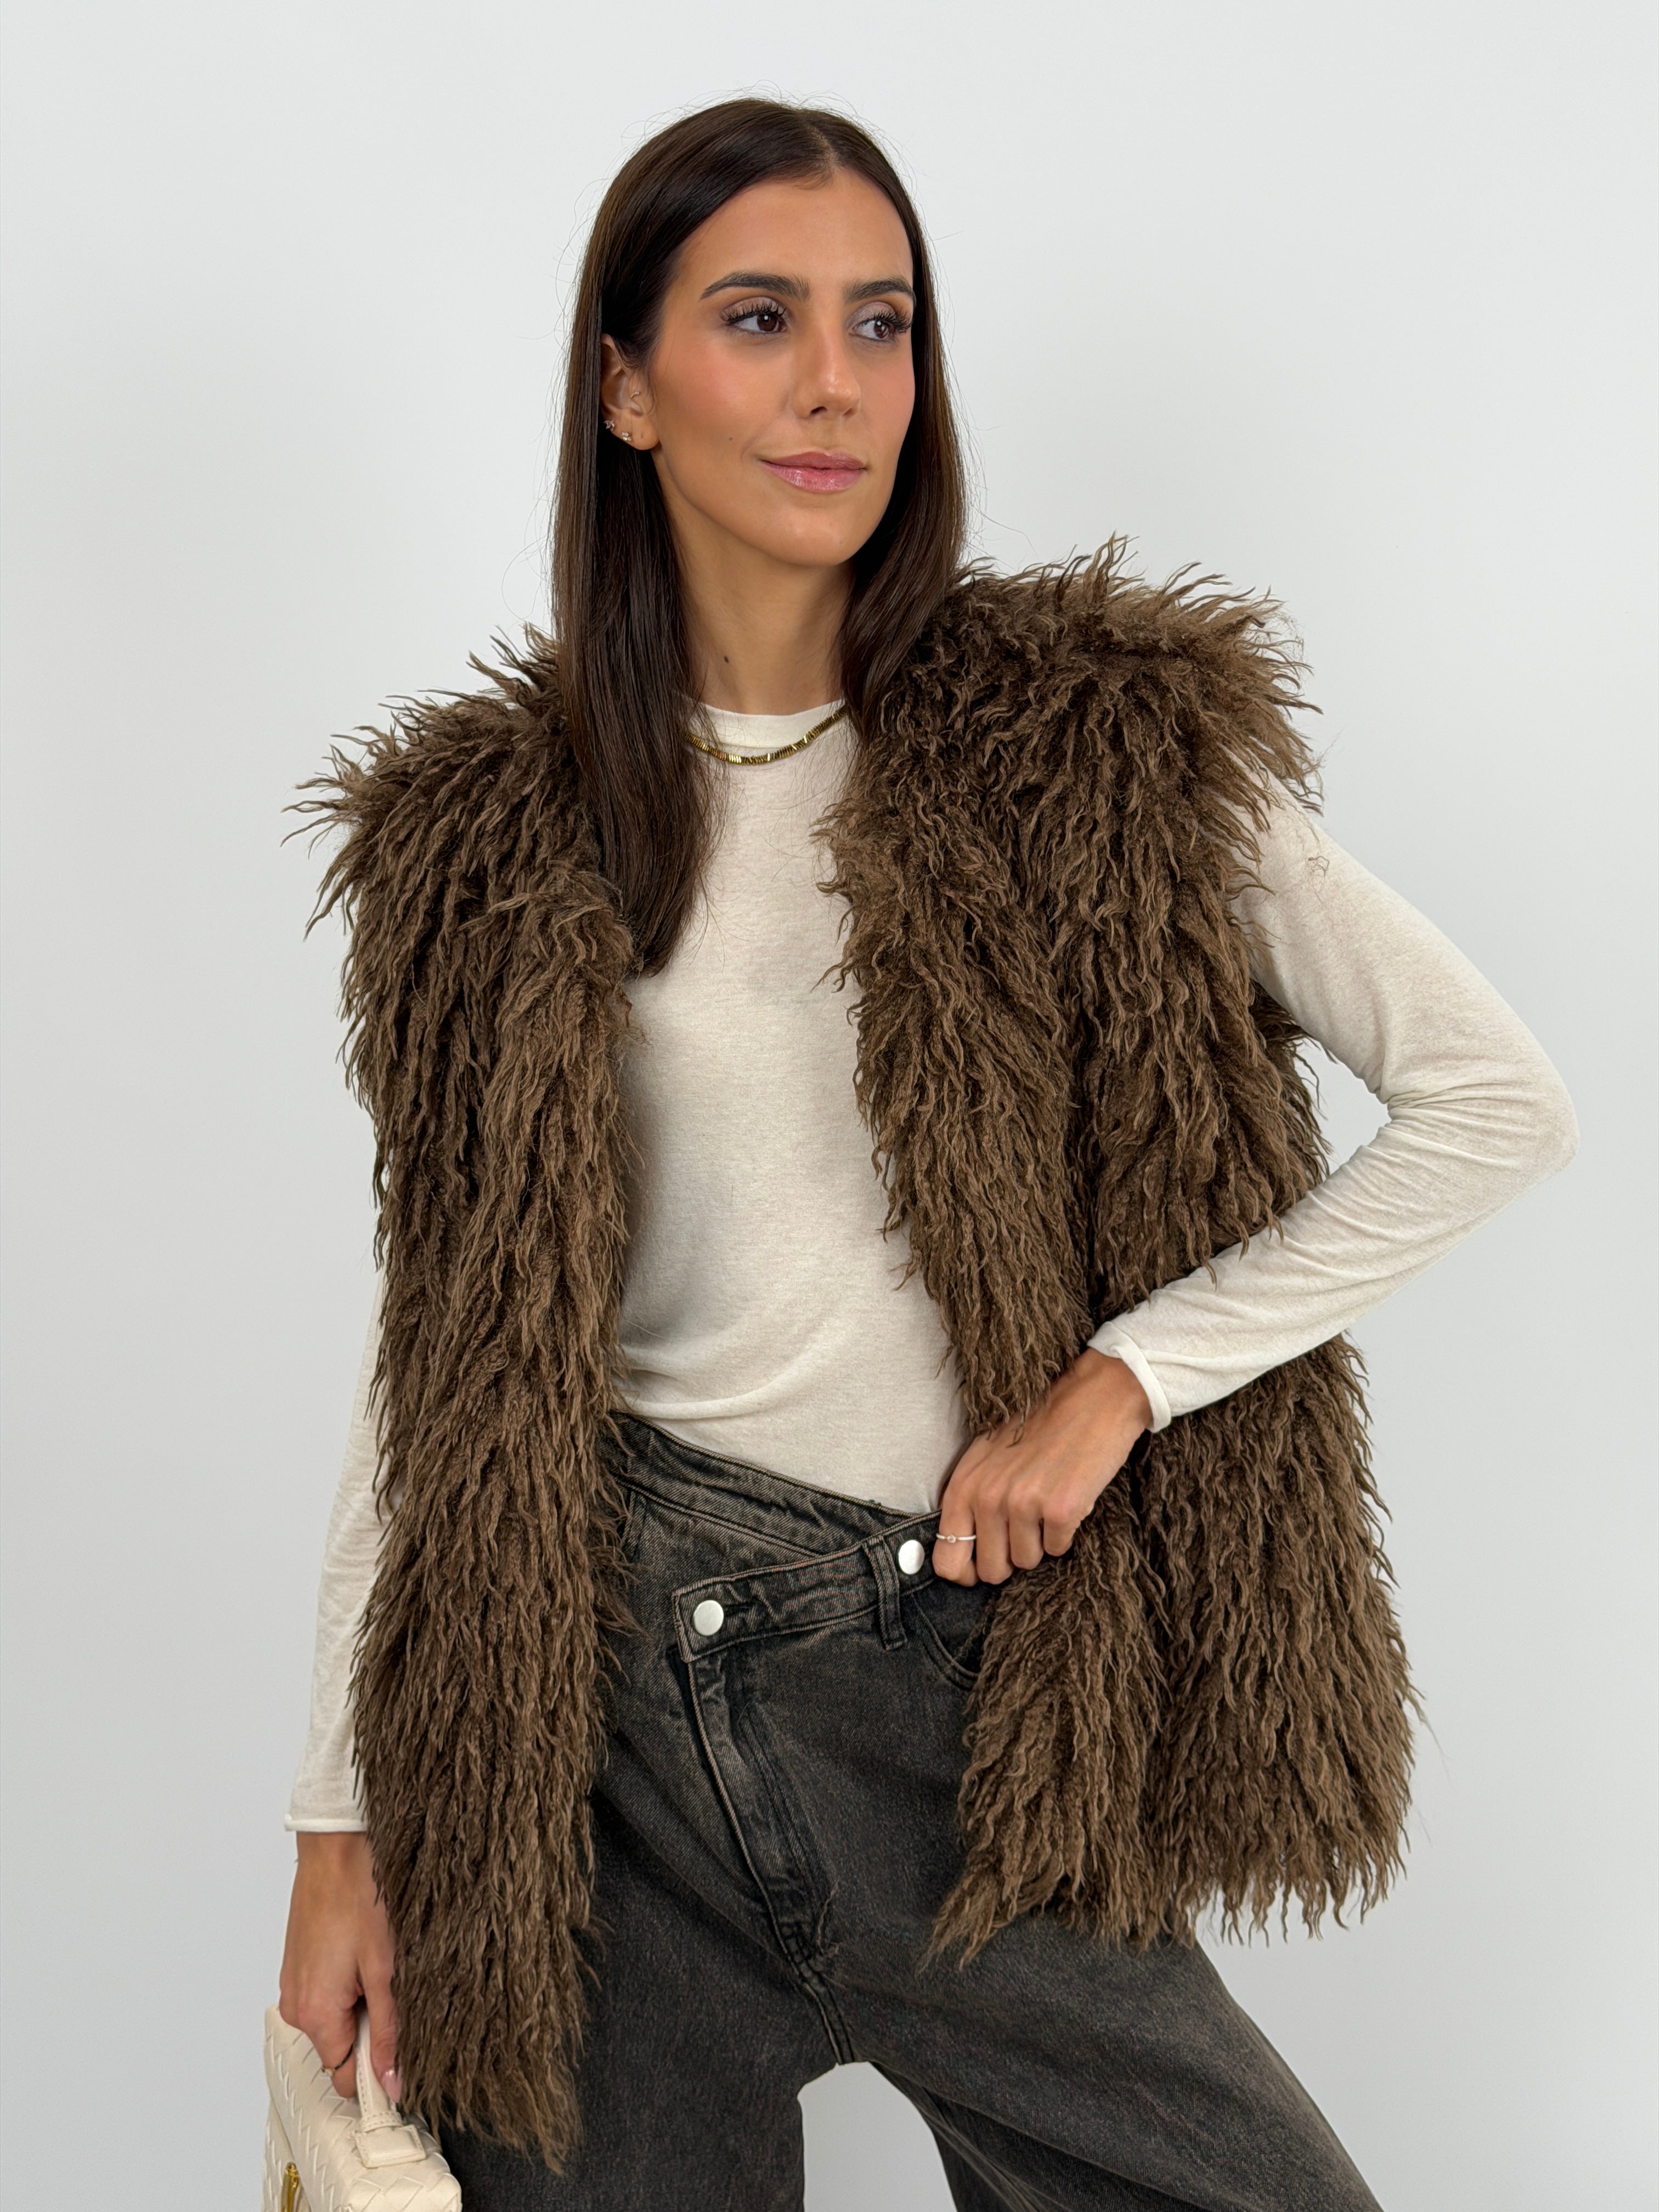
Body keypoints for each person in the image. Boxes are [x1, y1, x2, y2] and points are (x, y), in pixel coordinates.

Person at [276, 97, 1578, 2211]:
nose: (837, 383)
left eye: (881, 323)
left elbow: (1495, 1100)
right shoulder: (496, 836)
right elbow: (437, 1363)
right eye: (759, 318)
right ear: (625, 387)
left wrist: (1122, 1378)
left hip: (942, 1688)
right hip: (589, 1736)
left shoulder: (1095, 744)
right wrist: (338, 1829)